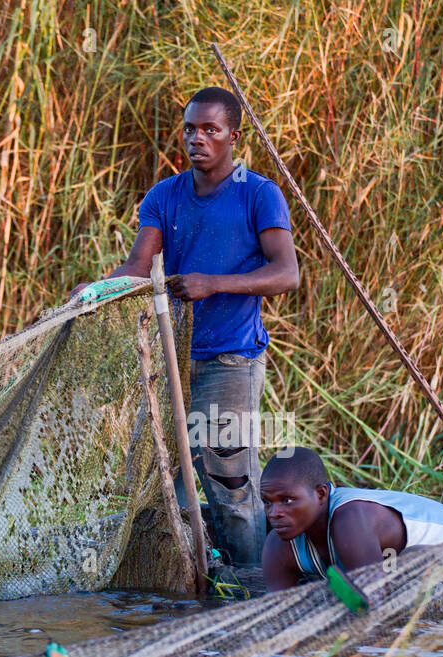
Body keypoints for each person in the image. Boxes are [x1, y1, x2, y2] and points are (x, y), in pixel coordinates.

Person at [73, 87, 299, 567]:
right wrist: (92, 292)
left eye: (210, 130)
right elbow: (138, 265)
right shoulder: (165, 195)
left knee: (230, 479)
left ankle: (250, 588)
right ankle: (182, 585)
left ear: (232, 136)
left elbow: (286, 274)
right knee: (163, 477)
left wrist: (213, 283)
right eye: (190, 129)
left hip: (231, 359)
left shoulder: (258, 194)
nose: (197, 138)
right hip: (173, 359)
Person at [259, 447, 443, 592]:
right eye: (268, 502)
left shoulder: (350, 520)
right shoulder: (277, 547)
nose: (274, 513)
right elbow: (279, 614)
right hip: (407, 570)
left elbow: (372, 603)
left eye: (288, 500)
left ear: (321, 494)